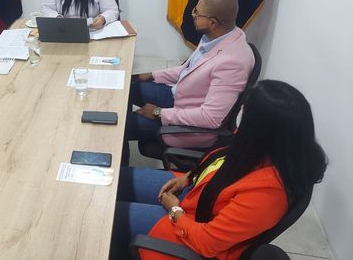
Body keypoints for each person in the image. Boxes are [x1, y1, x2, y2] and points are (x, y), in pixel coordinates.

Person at [112, 80, 328, 260]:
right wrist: (188, 177)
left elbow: (206, 243)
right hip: (196, 192)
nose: (239, 113)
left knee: (109, 216)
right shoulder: (261, 147)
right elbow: (218, 162)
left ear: (260, 128)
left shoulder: (267, 194)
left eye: (245, 111)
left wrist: (175, 210)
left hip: (192, 232)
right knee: (116, 180)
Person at [125, 0, 253, 152]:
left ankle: (119, 164)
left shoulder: (232, 63)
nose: (193, 15)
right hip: (181, 96)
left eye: (197, 13)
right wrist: (150, 75)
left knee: (121, 125)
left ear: (212, 22)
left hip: (190, 128)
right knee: (128, 88)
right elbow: (187, 70)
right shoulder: (218, 36)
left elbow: (210, 118)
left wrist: (159, 113)